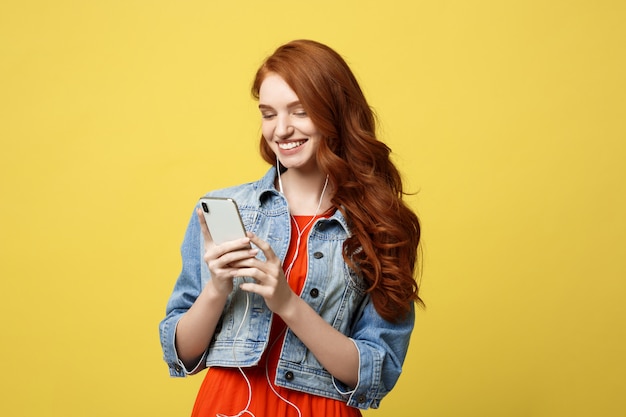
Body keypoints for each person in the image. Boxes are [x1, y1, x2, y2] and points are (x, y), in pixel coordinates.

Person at [159, 39, 422, 417]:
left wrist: (287, 303)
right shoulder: (229, 209)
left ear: (336, 114)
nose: (281, 130)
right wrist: (217, 288)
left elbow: (376, 372)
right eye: (268, 114)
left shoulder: (379, 226)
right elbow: (181, 353)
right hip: (227, 407)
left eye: (299, 112)